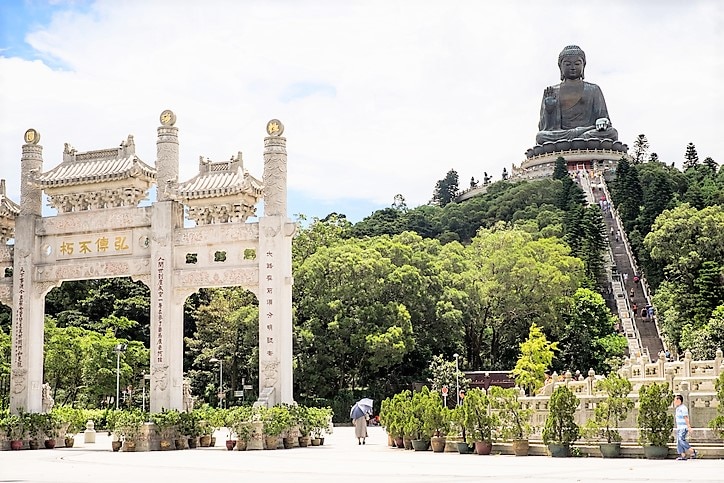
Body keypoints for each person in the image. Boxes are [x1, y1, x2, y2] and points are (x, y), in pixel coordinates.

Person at [536, 45, 618, 145]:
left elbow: (603, 118)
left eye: (577, 64)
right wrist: (549, 110)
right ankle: (579, 141)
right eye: (568, 64)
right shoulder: (552, 91)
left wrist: (602, 121)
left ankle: (578, 140)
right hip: (561, 135)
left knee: (612, 133)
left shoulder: (593, 89)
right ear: (560, 66)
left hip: (587, 132)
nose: (573, 68)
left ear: (584, 65)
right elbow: (544, 127)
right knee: (541, 136)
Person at [674, 394, 698, 460]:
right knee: (678, 442)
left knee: (681, 440)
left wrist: (689, 427)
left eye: (675, 400)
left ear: (679, 400)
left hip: (683, 427)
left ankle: (692, 451)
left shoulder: (683, 408)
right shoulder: (678, 409)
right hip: (679, 428)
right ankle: (683, 455)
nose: (674, 402)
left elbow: (686, 417)